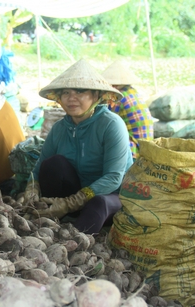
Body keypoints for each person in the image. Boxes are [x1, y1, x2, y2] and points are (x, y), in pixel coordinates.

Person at [22, 58, 133, 235]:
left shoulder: (111, 125)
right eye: (66, 93)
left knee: (99, 204)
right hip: (74, 192)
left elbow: (114, 177)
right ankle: (51, 220)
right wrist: (32, 189)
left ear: (96, 96)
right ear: (59, 98)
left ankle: (72, 241)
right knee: (53, 164)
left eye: (80, 92)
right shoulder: (59, 129)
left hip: (111, 196)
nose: (71, 98)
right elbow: (38, 170)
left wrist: (71, 203)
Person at [101, 60, 154, 160]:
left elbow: (105, 120)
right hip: (146, 146)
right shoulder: (132, 91)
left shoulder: (118, 97)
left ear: (114, 85)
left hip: (135, 148)